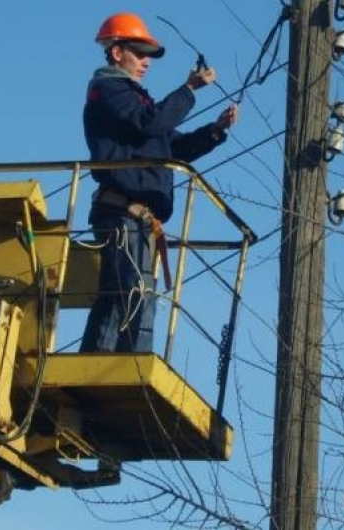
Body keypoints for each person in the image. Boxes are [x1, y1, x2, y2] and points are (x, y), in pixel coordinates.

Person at [79, 12, 239, 354]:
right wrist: (189, 90)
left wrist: (215, 130)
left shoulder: (136, 102)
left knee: (138, 294)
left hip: (138, 219)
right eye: (140, 53)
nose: (146, 62)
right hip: (120, 212)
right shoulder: (107, 90)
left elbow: (172, 146)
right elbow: (149, 125)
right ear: (116, 51)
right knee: (127, 292)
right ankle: (106, 366)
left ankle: (129, 367)